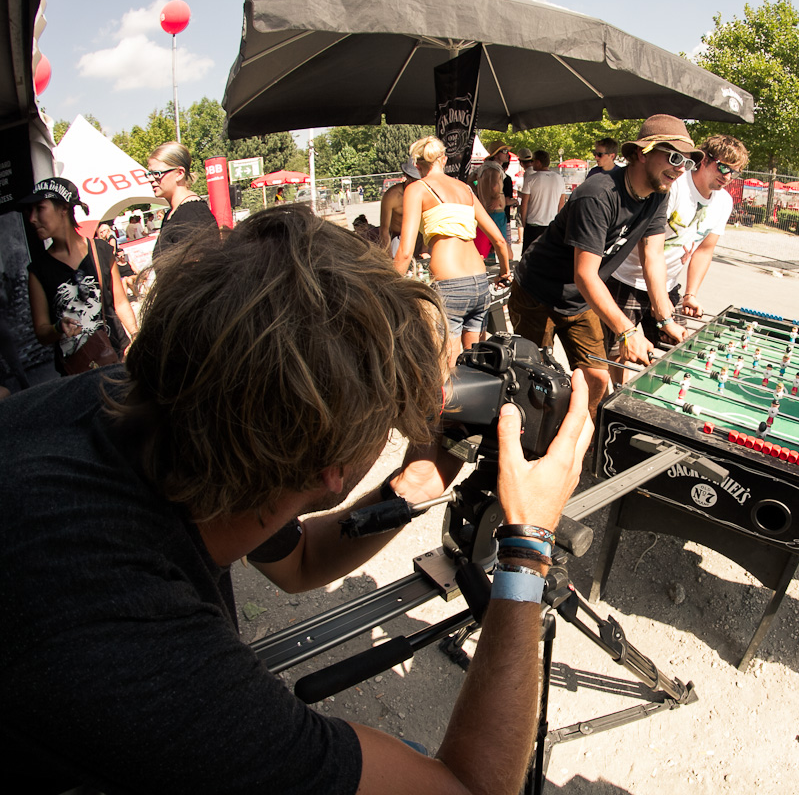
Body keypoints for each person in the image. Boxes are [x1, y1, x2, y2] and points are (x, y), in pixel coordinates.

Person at [0, 204, 593, 794]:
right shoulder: (142, 650)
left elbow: (301, 558)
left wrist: (412, 486)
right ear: (333, 469)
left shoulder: (161, 399)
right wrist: (525, 552)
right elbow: (469, 790)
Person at [508, 114, 694, 413]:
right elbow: (584, 274)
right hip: (536, 292)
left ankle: (584, 441)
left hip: (580, 301)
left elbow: (653, 255)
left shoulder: (659, 195)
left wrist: (665, 317)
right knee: (533, 382)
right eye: (673, 156)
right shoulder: (598, 193)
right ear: (640, 154)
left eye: (687, 161)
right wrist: (628, 331)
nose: (680, 168)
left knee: (596, 377)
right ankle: (530, 447)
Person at [605, 134, 747, 384]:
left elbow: (704, 250)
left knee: (676, 351)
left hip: (668, 284)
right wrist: (664, 316)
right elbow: (650, 250)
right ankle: (617, 396)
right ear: (704, 160)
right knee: (621, 353)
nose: (727, 176)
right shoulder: (675, 187)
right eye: (723, 167)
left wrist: (691, 294)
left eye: (734, 172)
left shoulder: (724, 202)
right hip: (627, 279)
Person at [396, 136, 510, 357]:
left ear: (417, 164)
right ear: (444, 160)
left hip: (449, 285)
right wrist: (504, 272)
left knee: (449, 372)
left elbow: (405, 252)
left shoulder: (417, 189)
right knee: (477, 364)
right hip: (479, 283)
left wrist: (387, 290)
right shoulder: (465, 189)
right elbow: (500, 241)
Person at [21, 177, 138, 376]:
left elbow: (119, 303)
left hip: (115, 358)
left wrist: (135, 336)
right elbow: (41, 331)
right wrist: (58, 327)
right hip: (75, 372)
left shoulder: (100, 251)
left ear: (64, 208)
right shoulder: (38, 270)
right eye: (30, 211)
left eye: (40, 208)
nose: (32, 218)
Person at [147, 141, 217, 262]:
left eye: (157, 174)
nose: (150, 179)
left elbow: (204, 269)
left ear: (179, 174)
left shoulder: (193, 214)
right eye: (149, 174)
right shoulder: (171, 214)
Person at [518, 149, 568, 251]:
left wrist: (523, 222)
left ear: (538, 162)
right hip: (551, 224)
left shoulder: (531, 179)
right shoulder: (559, 179)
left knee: (529, 256)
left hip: (533, 223)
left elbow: (525, 203)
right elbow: (561, 203)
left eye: (533, 161)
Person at [476, 141, 513, 259]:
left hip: (484, 210)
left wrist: (479, 194)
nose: (508, 154)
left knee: (488, 247)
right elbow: (495, 186)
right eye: (505, 151)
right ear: (497, 154)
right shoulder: (496, 170)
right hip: (497, 212)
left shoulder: (482, 169)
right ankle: (509, 269)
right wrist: (497, 196)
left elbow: (471, 180)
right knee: (503, 245)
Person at [380, 160, 422, 257]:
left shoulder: (425, 193)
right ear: (406, 177)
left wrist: (424, 251)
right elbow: (384, 230)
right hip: (398, 238)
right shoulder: (392, 196)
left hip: (419, 237)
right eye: (413, 179)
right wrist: (389, 256)